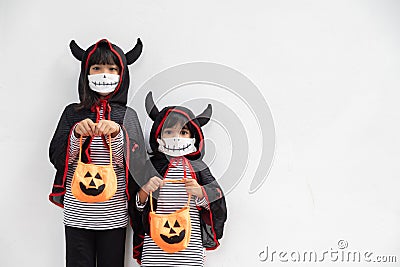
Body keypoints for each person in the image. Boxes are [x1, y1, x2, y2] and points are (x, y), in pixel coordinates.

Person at [49, 38, 146, 267]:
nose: (105, 74)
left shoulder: (128, 116)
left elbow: (140, 166)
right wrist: (75, 134)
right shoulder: (72, 113)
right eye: (97, 68)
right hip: (77, 214)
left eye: (112, 69)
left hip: (113, 217)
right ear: (86, 73)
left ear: (122, 75)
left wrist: (118, 135)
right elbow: (57, 158)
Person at [131, 92, 227, 266]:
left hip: (189, 248)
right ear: (159, 135)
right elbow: (136, 206)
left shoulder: (199, 168)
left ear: (193, 138)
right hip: (155, 247)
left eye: (183, 132)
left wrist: (200, 192)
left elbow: (217, 200)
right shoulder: (151, 166)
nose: (176, 138)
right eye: (169, 131)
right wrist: (145, 190)